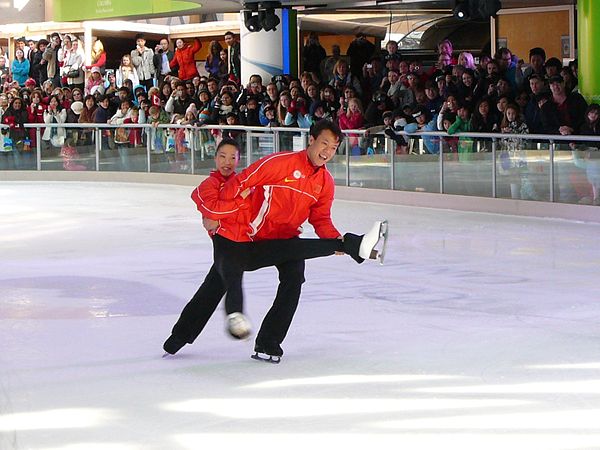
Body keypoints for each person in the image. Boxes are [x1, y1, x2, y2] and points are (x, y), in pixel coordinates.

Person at [163, 130, 384, 360]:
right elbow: (240, 182)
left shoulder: (324, 181)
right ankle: (179, 336)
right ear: (311, 141)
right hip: (251, 237)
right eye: (324, 144)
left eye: (333, 147)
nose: (327, 152)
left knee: (294, 277)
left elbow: (321, 218)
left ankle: (268, 342)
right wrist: (223, 214)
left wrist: (334, 239)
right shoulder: (279, 163)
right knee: (216, 284)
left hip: (286, 239)